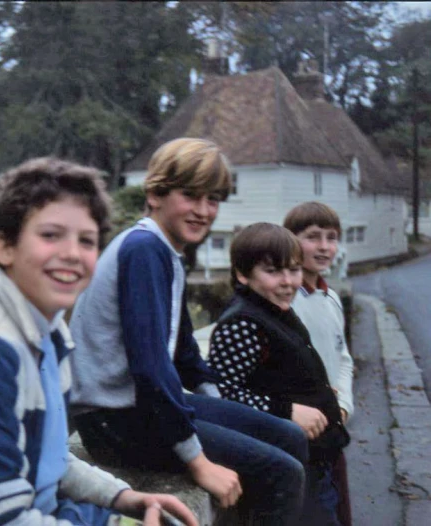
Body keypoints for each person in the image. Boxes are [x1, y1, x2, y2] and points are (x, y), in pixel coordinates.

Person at [0, 157, 198, 526]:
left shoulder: (46, 332)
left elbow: (50, 459)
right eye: (50, 235)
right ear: (4, 247)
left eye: (87, 240)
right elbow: (1, 519)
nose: (72, 254)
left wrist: (123, 498)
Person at [69, 138, 307, 526]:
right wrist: (198, 461)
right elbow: (150, 365)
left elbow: (183, 354)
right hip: (113, 422)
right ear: (155, 194)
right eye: (190, 196)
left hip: (137, 412)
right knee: (282, 471)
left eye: (212, 199)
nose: (203, 211)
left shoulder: (167, 252)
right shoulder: (144, 250)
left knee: (289, 436)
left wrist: (220, 409)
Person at [208, 222, 350, 526]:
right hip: (291, 465)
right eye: (273, 271)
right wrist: (285, 410)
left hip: (314, 457)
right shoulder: (243, 323)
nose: (288, 282)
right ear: (243, 275)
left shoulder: (274, 309)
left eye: (294, 270)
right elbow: (223, 396)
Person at [284, 202, 353, 526]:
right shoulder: (285, 300)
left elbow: (343, 359)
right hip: (301, 430)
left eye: (331, 237)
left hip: (332, 425)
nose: (324, 247)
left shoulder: (331, 298)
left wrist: (343, 405)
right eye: (313, 237)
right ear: (292, 240)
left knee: (338, 507)